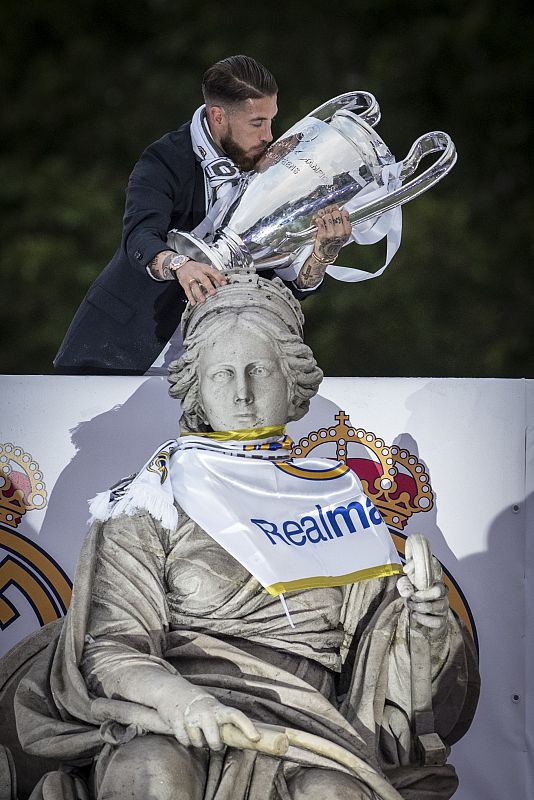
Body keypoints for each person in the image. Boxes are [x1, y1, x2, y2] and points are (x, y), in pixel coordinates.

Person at [9, 273, 479, 799]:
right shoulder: (151, 500)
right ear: (197, 391)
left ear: (293, 380)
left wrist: (429, 624)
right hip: (175, 718)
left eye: (259, 370)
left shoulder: (339, 503)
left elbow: (391, 679)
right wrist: (184, 703)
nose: (242, 392)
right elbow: (110, 649)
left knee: (334, 795)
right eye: (222, 374)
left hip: (312, 731)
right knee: (150, 771)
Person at [53, 54, 352, 376]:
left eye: (270, 120)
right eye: (257, 123)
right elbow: (139, 237)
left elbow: (286, 286)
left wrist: (323, 254)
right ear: (218, 116)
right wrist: (181, 265)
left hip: (221, 362)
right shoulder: (165, 158)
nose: (268, 135)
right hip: (118, 346)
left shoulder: (273, 167)